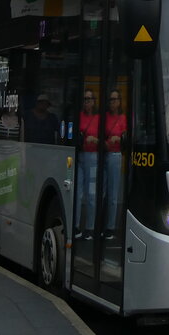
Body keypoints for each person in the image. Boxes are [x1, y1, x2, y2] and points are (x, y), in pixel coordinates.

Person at [75, 90, 100, 239]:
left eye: (89, 99)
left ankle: (90, 227)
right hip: (80, 156)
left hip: (93, 157)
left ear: (94, 101)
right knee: (77, 194)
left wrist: (95, 140)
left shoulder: (98, 118)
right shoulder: (79, 116)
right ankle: (76, 226)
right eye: (85, 99)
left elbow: (104, 138)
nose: (87, 102)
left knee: (91, 194)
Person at [103, 90, 127, 238]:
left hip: (115, 155)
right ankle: (98, 224)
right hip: (102, 154)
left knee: (112, 194)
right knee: (100, 191)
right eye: (110, 100)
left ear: (119, 101)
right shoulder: (104, 117)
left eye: (115, 99)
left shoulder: (124, 118)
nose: (112, 102)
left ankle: (110, 227)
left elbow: (126, 136)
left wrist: (118, 139)